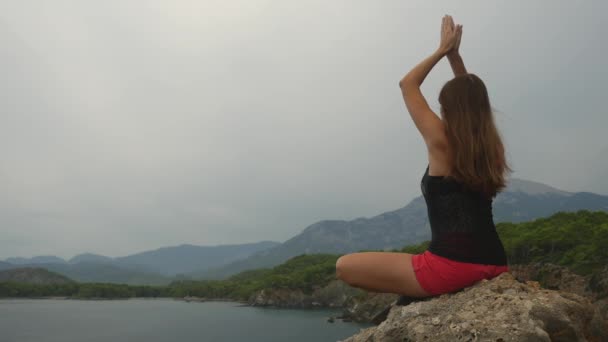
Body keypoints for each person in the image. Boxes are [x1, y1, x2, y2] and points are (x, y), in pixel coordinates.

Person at [335, 15, 512, 300]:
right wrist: (456, 59)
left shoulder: (442, 141)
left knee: (345, 266)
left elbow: (408, 84)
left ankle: (417, 295)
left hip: (450, 267)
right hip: (495, 263)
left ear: (448, 110)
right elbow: (473, 100)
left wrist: (442, 50)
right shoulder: (493, 150)